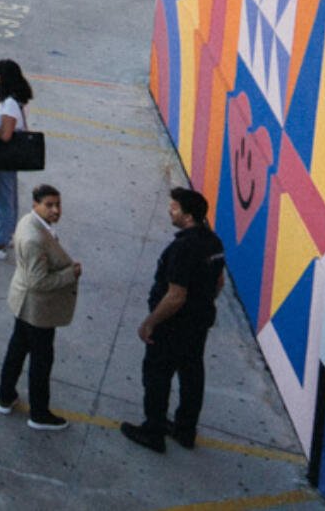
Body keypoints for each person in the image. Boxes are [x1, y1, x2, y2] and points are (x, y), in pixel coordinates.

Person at [121, 188, 225, 452]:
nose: (170, 210)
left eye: (175, 208)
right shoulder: (214, 242)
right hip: (199, 322)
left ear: (188, 217)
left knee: (157, 375)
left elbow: (176, 296)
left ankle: (153, 431)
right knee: (192, 374)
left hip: (173, 325)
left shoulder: (182, 248)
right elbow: (218, 281)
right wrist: (203, 304)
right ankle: (185, 430)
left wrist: (150, 322)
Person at [0, 184, 80, 432]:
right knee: (41, 361)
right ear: (36, 205)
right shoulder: (35, 238)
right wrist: (71, 274)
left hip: (23, 302)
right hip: (38, 309)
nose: (56, 210)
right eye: (49, 205)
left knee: (17, 349)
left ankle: (5, 396)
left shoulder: (29, 222)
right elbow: (39, 282)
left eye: (58, 205)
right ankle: (39, 413)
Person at [0, 59, 35, 253]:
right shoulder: (15, 100)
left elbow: (5, 135)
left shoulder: (10, 104)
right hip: (9, 157)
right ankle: (5, 231)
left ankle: (0, 242)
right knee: (8, 196)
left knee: (3, 198)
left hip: (3, 156)